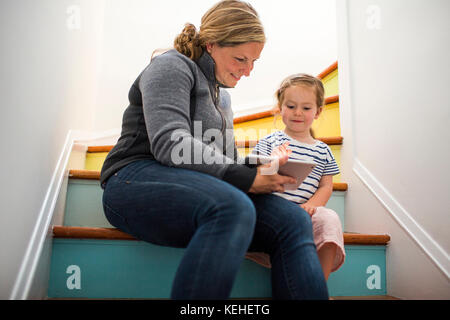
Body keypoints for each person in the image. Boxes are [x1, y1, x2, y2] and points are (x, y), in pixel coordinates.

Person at [100, 0, 329, 300]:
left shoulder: (222, 97)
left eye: (253, 62)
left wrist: (260, 167)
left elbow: (227, 160)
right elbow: (171, 142)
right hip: (132, 178)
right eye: (240, 59)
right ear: (211, 44)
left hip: (196, 187)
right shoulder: (170, 65)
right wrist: (244, 177)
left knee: (294, 220)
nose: (247, 71)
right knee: (232, 205)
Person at [247, 73, 345, 281]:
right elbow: (252, 178)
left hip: (306, 211)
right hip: (273, 212)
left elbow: (326, 186)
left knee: (329, 219)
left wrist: (312, 205)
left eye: (306, 108)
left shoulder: (323, 150)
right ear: (280, 108)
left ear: (318, 111)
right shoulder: (269, 142)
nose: (297, 113)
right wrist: (272, 163)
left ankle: (318, 285)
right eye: (291, 106)